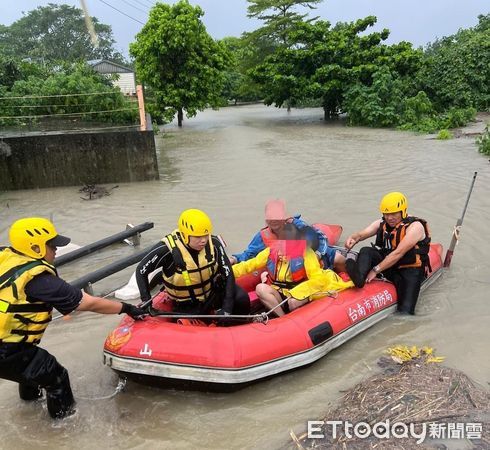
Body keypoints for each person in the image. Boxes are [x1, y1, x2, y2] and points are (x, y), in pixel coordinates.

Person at [0, 217, 146, 420]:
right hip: (7, 350)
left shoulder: (6, 257)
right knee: (56, 377)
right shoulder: (41, 281)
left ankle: (29, 407)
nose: (56, 250)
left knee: (31, 367)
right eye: (52, 245)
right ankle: (63, 427)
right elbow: (90, 303)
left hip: (10, 346)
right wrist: (126, 308)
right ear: (35, 248)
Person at [136, 208, 250, 318]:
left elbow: (228, 274)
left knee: (241, 298)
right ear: (185, 235)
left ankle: (231, 325)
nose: (204, 240)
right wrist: (146, 301)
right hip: (186, 304)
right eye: (198, 236)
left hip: (212, 294)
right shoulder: (167, 250)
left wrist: (227, 309)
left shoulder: (214, 243)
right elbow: (141, 270)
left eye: (206, 235)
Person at [233, 224, 353, 316]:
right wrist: (228, 271)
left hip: (301, 291)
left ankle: (294, 318)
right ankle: (282, 318)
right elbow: (248, 265)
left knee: (293, 302)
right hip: (280, 292)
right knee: (261, 288)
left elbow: (318, 279)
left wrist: (296, 293)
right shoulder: (271, 251)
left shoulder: (307, 253)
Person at [344, 192, 431, 315]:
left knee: (405, 311)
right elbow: (362, 234)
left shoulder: (415, 227)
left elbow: (398, 253)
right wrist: (353, 238)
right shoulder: (382, 222)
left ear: (403, 211)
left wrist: (375, 270)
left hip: (410, 270)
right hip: (390, 265)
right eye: (386, 214)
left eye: (394, 214)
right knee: (366, 251)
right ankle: (359, 278)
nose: (390, 218)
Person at [229, 199, 346, 272]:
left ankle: (347, 280)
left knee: (338, 258)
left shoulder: (297, 225)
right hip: (289, 267)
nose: (273, 220)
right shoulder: (262, 236)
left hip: (311, 259)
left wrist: (317, 255)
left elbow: (320, 239)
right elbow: (249, 254)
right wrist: (234, 259)